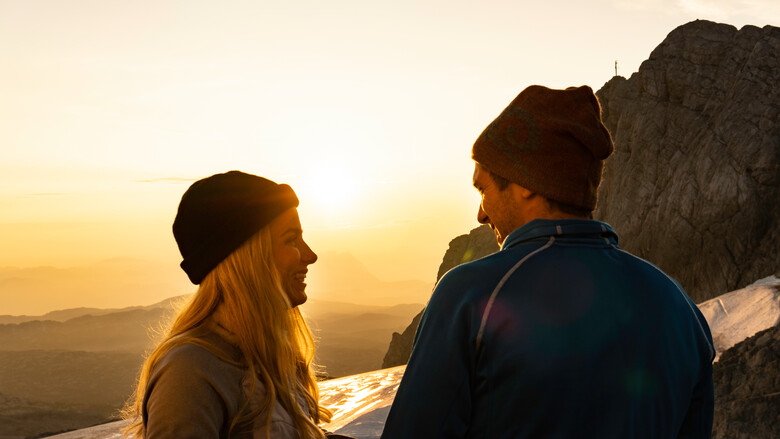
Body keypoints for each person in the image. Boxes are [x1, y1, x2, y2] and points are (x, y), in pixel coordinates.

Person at [381, 86, 715, 438]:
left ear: (526, 182)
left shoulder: (470, 296)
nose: (481, 214)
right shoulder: (680, 308)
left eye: (483, 189)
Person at [122, 171, 351, 439]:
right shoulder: (189, 372)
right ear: (248, 258)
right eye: (291, 239)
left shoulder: (270, 355)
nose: (310, 255)